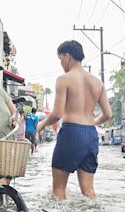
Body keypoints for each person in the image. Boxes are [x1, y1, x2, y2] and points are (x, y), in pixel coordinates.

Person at [37, 40, 111, 200]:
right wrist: (90, 122)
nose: (61, 63)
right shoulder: (98, 83)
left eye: (61, 59)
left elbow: (57, 113)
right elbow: (107, 114)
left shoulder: (64, 79)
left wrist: (41, 124)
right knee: (88, 190)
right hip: (91, 135)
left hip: (71, 133)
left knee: (58, 189)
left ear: (67, 56)